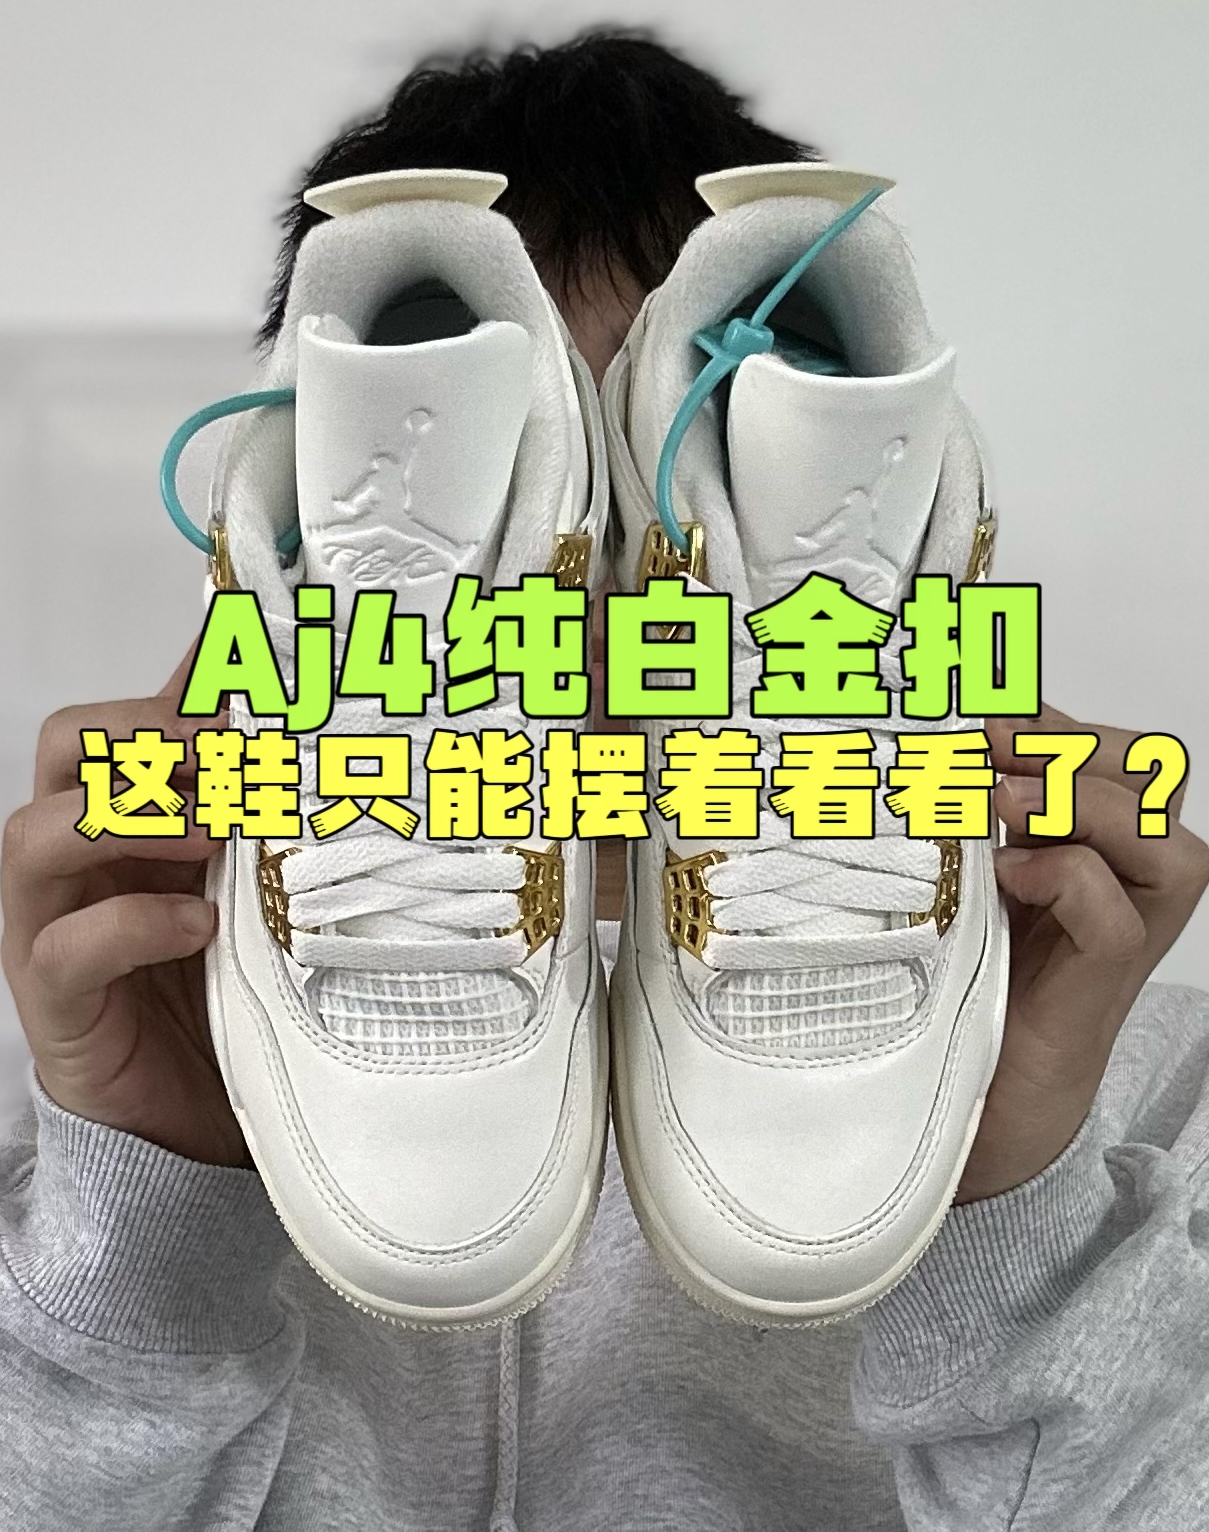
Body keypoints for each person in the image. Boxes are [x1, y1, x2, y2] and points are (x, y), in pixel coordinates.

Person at [2, 28, 1207, 1531]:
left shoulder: (1158, 1092)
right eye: (494, 562)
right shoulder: (77, 1090)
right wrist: (141, 1221)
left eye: (666, 540)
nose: (570, 644)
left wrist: (1016, 1214)